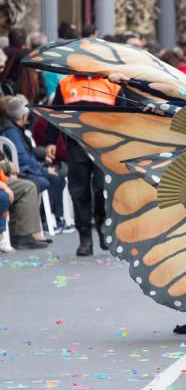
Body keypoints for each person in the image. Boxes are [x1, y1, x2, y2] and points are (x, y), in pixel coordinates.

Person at [45, 73, 124, 256]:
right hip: (76, 145)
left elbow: (123, 118)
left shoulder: (111, 84)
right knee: (79, 191)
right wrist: (50, 140)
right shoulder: (66, 83)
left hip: (104, 147)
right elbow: (55, 113)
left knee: (101, 189)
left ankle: (103, 228)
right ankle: (85, 239)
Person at [0, 96, 66, 230]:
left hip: (24, 166)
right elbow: (23, 158)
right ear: (24, 116)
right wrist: (44, 170)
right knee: (53, 178)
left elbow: (26, 153)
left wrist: (42, 158)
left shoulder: (14, 128)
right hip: (22, 170)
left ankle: (53, 218)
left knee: (58, 174)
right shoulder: (11, 131)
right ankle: (48, 219)